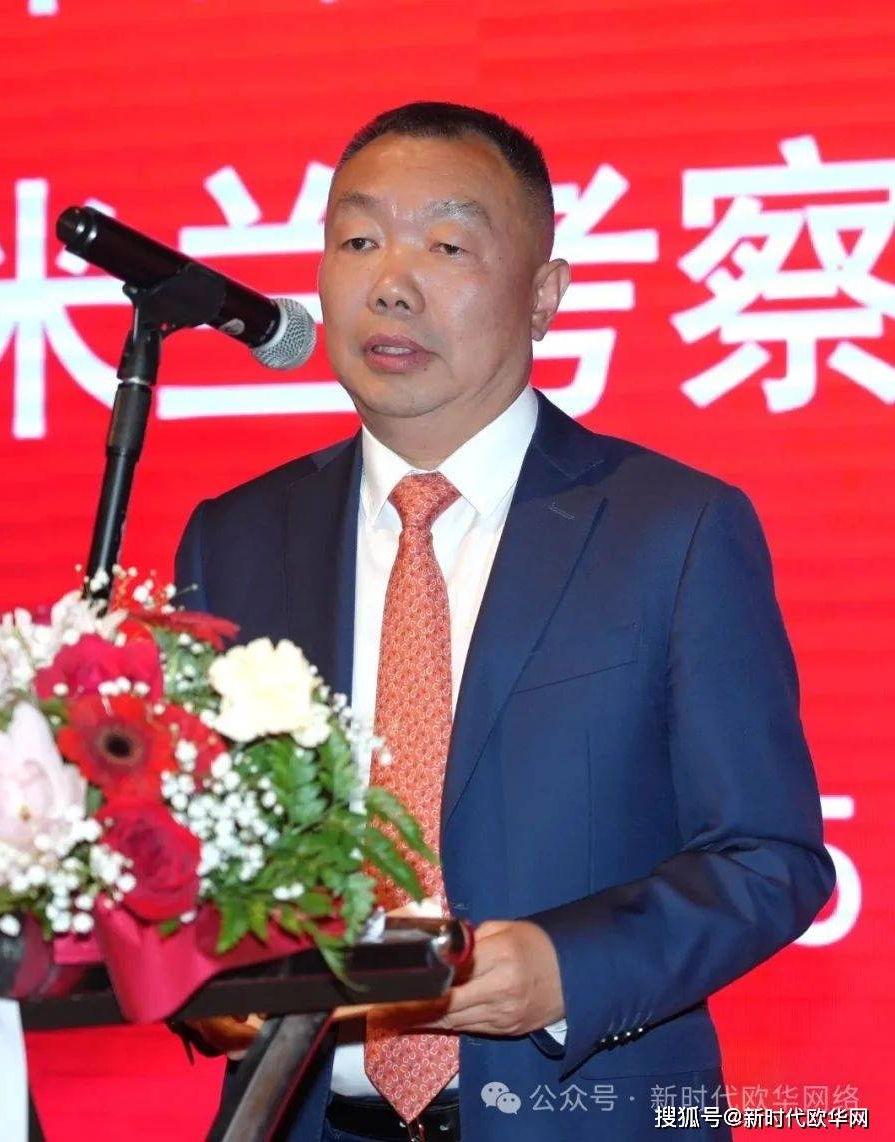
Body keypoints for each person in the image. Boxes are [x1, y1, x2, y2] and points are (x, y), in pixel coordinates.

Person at [174, 102, 835, 1142]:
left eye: (447, 245)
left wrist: (569, 967)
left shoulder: (672, 528)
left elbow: (768, 855)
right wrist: (205, 981)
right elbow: (183, 857)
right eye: (358, 240)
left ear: (544, 296)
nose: (392, 282)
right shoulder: (237, 538)